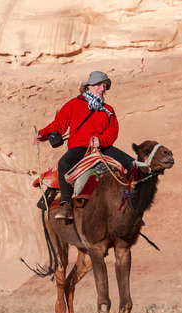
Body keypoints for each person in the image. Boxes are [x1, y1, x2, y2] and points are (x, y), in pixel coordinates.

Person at [36, 71, 134, 220]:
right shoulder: (74, 104)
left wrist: (101, 141)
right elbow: (59, 124)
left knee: (132, 165)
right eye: (99, 85)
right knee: (63, 164)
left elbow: (113, 132)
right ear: (89, 86)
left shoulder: (108, 110)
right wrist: (42, 134)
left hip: (103, 146)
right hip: (80, 147)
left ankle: (133, 204)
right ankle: (66, 205)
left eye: (104, 85)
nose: (103, 88)